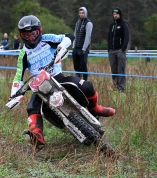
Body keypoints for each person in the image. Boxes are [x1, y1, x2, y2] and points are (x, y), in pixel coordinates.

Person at [9, 15, 115, 149]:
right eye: (26, 35)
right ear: (21, 35)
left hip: (58, 78)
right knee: (32, 108)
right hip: (39, 87)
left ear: (39, 31)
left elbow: (69, 36)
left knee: (86, 86)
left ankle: (95, 108)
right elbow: (18, 75)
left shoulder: (48, 39)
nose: (30, 38)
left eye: (33, 34)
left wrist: (62, 48)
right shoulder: (23, 54)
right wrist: (15, 94)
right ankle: (37, 136)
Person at [107, 7, 129, 92]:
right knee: (114, 69)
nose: (115, 15)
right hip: (112, 51)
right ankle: (115, 86)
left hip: (120, 50)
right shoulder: (112, 26)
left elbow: (126, 37)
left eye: (116, 14)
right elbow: (109, 37)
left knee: (121, 69)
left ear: (120, 14)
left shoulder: (124, 25)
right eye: (113, 14)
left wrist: (123, 48)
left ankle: (121, 87)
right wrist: (109, 48)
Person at [72, 7, 93, 81]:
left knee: (83, 66)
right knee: (76, 66)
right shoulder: (78, 22)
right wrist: (73, 46)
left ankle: (85, 81)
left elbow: (88, 36)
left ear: (85, 13)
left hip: (83, 48)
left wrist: (84, 48)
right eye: (80, 13)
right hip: (76, 47)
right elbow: (75, 34)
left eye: (83, 13)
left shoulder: (88, 23)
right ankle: (78, 80)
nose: (81, 14)